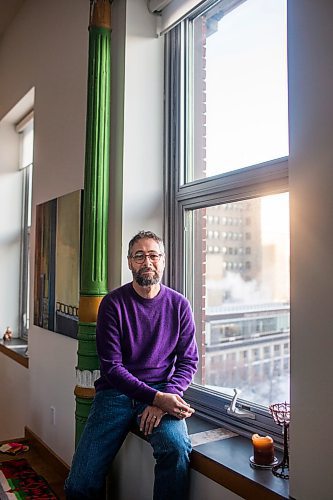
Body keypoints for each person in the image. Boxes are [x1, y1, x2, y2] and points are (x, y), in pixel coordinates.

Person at [65, 230, 198, 500]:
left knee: (176, 448)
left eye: (153, 255)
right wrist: (157, 398)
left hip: (161, 388)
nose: (147, 261)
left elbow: (188, 361)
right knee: (81, 482)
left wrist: (166, 395)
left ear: (163, 260)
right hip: (115, 394)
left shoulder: (180, 305)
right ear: (129, 262)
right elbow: (112, 367)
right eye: (139, 256)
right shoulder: (113, 304)